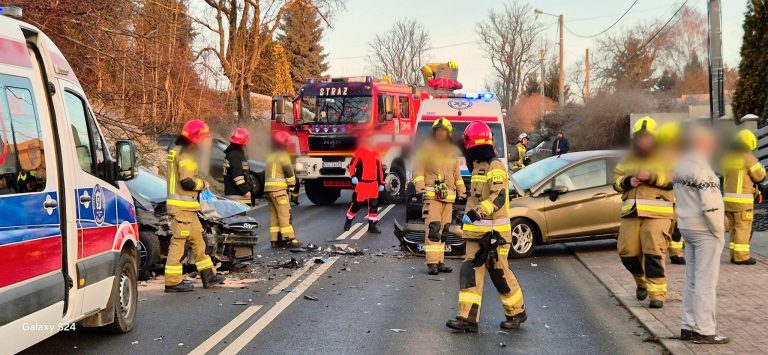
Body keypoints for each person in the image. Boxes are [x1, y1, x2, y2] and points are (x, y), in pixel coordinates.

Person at [446, 121, 526, 333]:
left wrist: (476, 212)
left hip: (494, 235)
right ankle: (468, 318)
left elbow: (499, 196)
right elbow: (476, 196)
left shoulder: (495, 166)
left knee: (500, 274)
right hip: (476, 234)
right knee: (469, 272)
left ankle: (516, 312)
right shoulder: (479, 166)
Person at [673, 125, 729, 344]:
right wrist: (718, 230)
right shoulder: (702, 168)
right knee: (706, 281)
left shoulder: (680, 165)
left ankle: (687, 326)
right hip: (705, 230)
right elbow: (711, 204)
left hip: (687, 226)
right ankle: (705, 330)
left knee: (691, 279)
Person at [612, 117, 674, 309]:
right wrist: (627, 181)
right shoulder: (629, 158)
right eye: (640, 138)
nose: (643, 141)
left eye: (647, 138)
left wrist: (652, 176)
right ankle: (641, 282)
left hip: (658, 214)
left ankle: (657, 295)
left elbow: (674, 178)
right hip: (631, 213)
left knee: (653, 252)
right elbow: (615, 180)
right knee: (626, 252)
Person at [164, 119, 224, 292]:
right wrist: (203, 184)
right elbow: (187, 182)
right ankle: (172, 281)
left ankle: (208, 276)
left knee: (198, 241)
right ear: (196, 138)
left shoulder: (177, 150)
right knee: (178, 243)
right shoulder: (187, 154)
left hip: (187, 208)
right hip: (182, 207)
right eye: (204, 137)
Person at [412, 117, 466, 275]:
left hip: (448, 200)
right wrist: (420, 187)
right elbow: (418, 169)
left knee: (444, 231)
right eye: (438, 130)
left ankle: (440, 261)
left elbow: (457, 174)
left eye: (443, 131)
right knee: (434, 230)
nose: (440, 133)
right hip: (432, 197)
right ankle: (432, 263)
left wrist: (462, 190)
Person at [721, 129, 766, 265]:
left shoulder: (728, 157)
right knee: (743, 228)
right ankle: (742, 257)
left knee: (734, 228)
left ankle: (734, 255)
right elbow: (760, 175)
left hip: (728, 201)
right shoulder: (747, 157)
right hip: (743, 202)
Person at [344, 133, 385, 234]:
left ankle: (372, 226)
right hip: (362, 184)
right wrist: (353, 176)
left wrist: (381, 183)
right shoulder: (359, 153)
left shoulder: (376, 154)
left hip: (374, 184)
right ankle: (348, 220)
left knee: (373, 206)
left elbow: (380, 170)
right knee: (356, 205)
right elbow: (352, 166)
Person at [657, 122, 686, 265]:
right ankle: (675, 254)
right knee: (674, 228)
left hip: (665, 198)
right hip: (672, 197)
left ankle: (671, 253)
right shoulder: (675, 155)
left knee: (669, 228)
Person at [266, 131, 300, 248]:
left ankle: (274, 240)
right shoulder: (284, 155)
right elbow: (289, 173)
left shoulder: (270, 156)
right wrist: (291, 186)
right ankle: (289, 238)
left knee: (274, 215)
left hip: (269, 190)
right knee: (285, 214)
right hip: (279, 190)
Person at [223, 128, 253, 205]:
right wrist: (246, 191)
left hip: (233, 194)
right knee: (240, 217)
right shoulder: (236, 155)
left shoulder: (232, 154)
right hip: (238, 197)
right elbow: (238, 176)